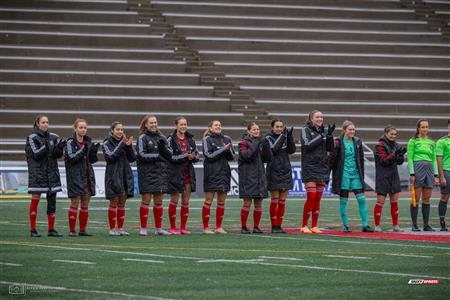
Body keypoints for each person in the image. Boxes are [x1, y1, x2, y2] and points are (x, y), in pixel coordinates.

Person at [330, 120, 374, 232]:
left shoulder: (358, 141)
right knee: (344, 201)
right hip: (343, 175)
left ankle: (365, 225)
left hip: (355, 175)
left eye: (353, 129)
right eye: (350, 129)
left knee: (362, 199)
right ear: (344, 130)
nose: (352, 131)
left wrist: (361, 175)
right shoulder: (338, 142)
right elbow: (332, 159)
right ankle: (346, 226)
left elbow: (361, 160)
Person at [26, 115, 65, 237]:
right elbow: (35, 154)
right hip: (38, 174)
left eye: (47, 122)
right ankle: (33, 230)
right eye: (43, 122)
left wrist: (59, 149)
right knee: (35, 200)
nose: (45, 124)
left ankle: (51, 229)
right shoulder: (32, 137)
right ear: (37, 124)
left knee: (52, 201)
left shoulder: (54, 137)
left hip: (51, 173)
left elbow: (55, 155)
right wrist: (45, 146)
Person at [136, 115, 173, 236]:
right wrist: (158, 157)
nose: (154, 124)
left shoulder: (162, 137)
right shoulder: (142, 138)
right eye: (151, 123)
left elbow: (170, 154)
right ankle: (143, 228)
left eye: (155, 122)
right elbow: (141, 155)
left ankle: (159, 229)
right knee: (146, 201)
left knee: (159, 202)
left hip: (160, 173)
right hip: (146, 174)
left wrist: (163, 150)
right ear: (146, 124)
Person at [300, 111, 335, 234]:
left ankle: (314, 225)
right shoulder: (305, 130)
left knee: (318, 199)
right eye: (317, 117)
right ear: (311, 118)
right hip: (310, 167)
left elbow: (330, 149)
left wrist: (329, 136)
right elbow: (307, 145)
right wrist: (321, 136)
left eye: (321, 117)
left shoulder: (325, 131)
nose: (320, 119)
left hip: (322, 167)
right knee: (311, 197)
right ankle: (304, 225)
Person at [64, 119, 100, 236]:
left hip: (87, 176)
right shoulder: (70, 142)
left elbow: (92, 160)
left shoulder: (88, 141)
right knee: (75, 203)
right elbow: (71, 158)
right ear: (75, 129)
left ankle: (83, 230)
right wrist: (83, 150)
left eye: (85, 128)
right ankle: (71, 230)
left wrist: (94, 152)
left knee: (85, 204)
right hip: (75, 176)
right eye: (81, 127)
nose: (83, 130)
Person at [103, 121, 136, 236]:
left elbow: (132, 158)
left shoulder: (124, 142)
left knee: (122, 202)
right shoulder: (107, 143)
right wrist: (122, 144)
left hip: (125, 174)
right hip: (113, 175)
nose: (120, 132)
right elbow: (110, 157)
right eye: (118, 130)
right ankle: (112, 229)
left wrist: (129, 146)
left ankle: (120, 228)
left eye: (122, 130)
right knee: (114, 202)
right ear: (112, 130)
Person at [238, 122, 272, 234]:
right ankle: (243, 227)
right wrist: (257, 143)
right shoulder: (242, 143)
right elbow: (247, 156)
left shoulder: (260, 142)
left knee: (258, 204)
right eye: (254, 129)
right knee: (247, 203)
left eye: (258, 129)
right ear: (248, 131)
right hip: (248, 177)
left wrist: (266, 146)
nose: (256, 131)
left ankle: (256, 227)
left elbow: (267, 159)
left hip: (260, 177)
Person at [167, 117, 199, 235]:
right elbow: (170, 157)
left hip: (188, 173)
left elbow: (197, 155)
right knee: (174, 200)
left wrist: (194, 157)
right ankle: (173, 227)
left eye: (185, 124)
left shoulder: (190, 139)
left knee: (185, 202)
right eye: (181, 124)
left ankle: (183, 227)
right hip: (175, 173)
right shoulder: (170, 139)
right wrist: (186, 156)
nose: (183, 126)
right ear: (176, 125)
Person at [202, 120, 235, 234]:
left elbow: (231, 157)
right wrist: (223, 149)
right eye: (216, 125)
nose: (218, 126)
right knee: (208, 201)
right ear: (210, 128)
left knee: (221, 202)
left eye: (220, 125)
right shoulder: (207, 139)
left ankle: (218, 227)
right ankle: (206, 228)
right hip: (211, 173)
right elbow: (208, 156)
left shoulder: (227, 139)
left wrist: (228, 150)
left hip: (224, 173)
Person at [407, 119, 439, 231]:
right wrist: (412, 173)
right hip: (417, 168)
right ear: (418, 128)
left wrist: (436, 175)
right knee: (416, 197)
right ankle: (414, 224)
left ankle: (426, 225)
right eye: (423, 127)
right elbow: (410, 158)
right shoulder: (413, 141)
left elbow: (434, 159)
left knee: (427, 198)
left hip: (429, 169)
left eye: (427, 127)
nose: (425, 129)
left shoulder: (431, 142)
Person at [373, 125, 406, 232]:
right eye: (391, 134)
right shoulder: (379, 146)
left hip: (393, 175)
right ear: (386, 134)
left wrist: (401, 155)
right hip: (382, 176)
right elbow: (383, 161)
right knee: (380, 201)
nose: (393, 136)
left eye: (395, 134)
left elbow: (399, 163)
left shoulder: (396, 145)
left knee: (394, 201)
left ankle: (396, 225)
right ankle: (377, 226)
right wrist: (394, 154)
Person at [266, 119, 296, 233]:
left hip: (286, 171)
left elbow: (291, 150)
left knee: (282, 201)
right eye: (277, 127)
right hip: (274, 171)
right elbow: (273, 149)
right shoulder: (268, 138)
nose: (279, 129)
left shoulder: (284, 137)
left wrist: (290, 138)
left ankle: (279, 225)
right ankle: (274, 226)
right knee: (275, 199)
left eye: (281, 126)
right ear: (272, 128)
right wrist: (283, 137)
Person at [436, 120, 450, 231]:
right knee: (445, 197)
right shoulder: (442, 141)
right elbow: (439, 160)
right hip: (446, 171)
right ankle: (442, 222)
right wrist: (441, 176)